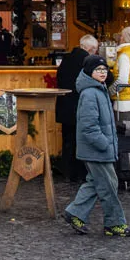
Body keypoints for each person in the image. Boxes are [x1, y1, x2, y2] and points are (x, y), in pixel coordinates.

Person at [63, 53, 130, 237]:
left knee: (96, 182)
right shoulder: (90, 93)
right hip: (97, 149)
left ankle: (75, 212)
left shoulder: (98, 89)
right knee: (109, 186)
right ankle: (114, 223)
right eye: (97, 69)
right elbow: (89, 126)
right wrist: (105, 144)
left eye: (104, 69)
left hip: (99, 148)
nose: (102, 72)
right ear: (89, 72)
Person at [55, 36, 95, 183]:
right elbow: (105, 78)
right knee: (81, 140)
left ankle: (67, 171)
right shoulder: (88, 60)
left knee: (67, 140)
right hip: (80, 105)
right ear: (91, 49)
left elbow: (59, 76)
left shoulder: (66, 58)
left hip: (64, 104)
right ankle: (80, 173)